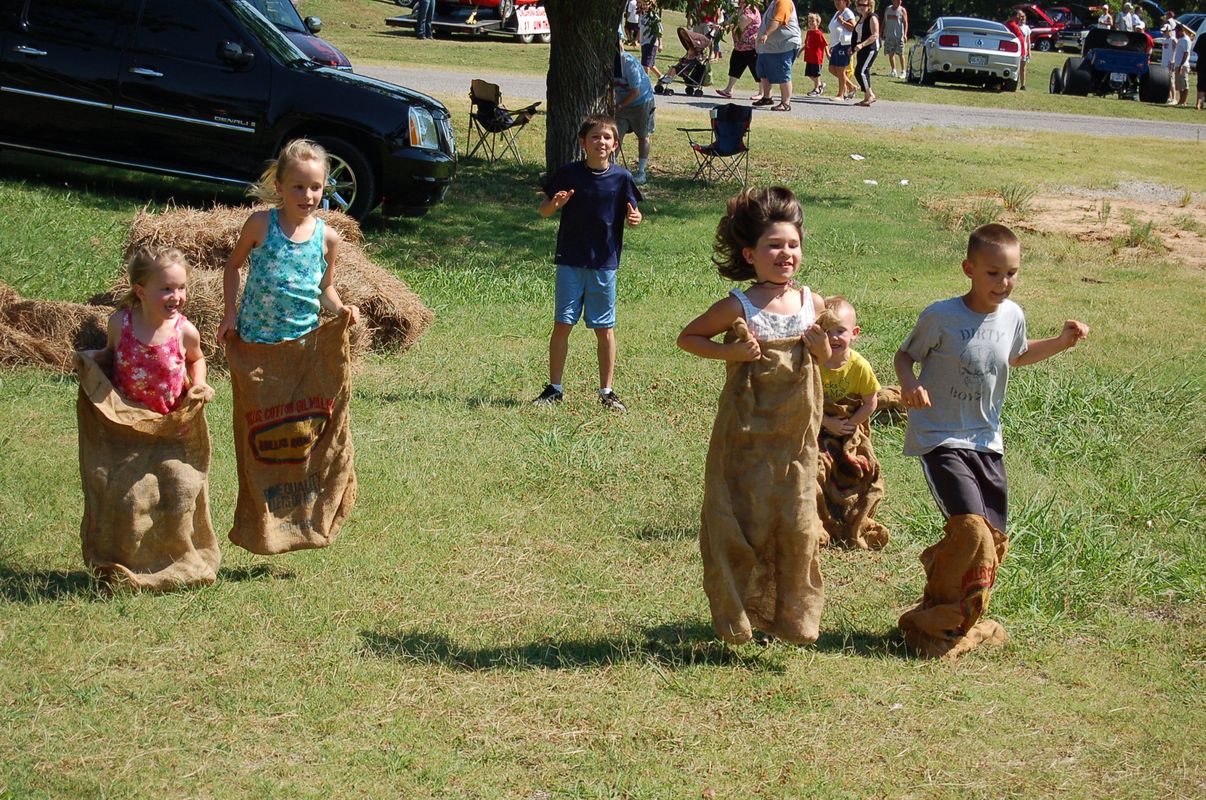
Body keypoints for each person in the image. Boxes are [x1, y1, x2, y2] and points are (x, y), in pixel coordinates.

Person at [893, 223, 1089, 658]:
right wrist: (908, 385)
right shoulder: (942, 316)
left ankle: (950, 610)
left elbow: (1017, 356)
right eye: (993, 273)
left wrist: (1060, 342)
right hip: (940, 436)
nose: (1003, 283)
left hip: (986, 440)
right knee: (970, 528)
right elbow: (904, 355)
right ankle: (931, 620)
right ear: (969, 269)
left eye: (1012, 273)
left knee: (993, 534)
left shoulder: (1013, 315)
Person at [678, 186, 832, 645]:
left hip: (796, 441)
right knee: (743, 521)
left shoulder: (812, 303)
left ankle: (791, 620)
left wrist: (825, 350)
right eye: (773, 245)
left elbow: (833, 361)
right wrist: (731, 350)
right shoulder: (739, 306)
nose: (785, 253)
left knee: (798, 523)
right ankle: (737, 617)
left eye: (793, 244)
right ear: (750, 253)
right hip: (745, 437)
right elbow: (689, 338)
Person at [532, 115, 642, 412]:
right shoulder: (569, 173)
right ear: (583, 142)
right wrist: (555, 204)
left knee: (604, 328)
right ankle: (554, 388)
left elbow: (634, 215)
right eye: (594, 137)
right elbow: (543, 211)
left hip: (604, 264)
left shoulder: (622, 179)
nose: (600, 142)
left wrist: (635, 219)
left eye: (606, 137)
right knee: (562, 324)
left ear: (615, 144)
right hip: (570, 260)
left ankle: (607, 390)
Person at [217, 138, 361, 346]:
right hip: (255, 339)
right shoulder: (260, 224)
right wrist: (230, 313)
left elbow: (325, 287)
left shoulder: (328, 238)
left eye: (315, 187)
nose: (308, 196)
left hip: (301, 345)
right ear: (279, 186)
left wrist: (340, 308)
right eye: (298, 187)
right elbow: (233, 266)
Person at [86, 247, 212, 415]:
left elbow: (196, 359)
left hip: (169, 421)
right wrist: (91, 358)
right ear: (141, 291)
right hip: (125, 418)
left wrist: (199, 381)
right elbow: (111, 355)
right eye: (166, 289)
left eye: (181, 287)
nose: (176, 296)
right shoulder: (120, 324)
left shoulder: (184, 332)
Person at [816, 296, 889, 551]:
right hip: (817, 422)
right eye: (826, 332)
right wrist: (825, 422)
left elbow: (871, 403)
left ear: (855, 333)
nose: (833, 338)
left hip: (849, 425)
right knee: (817, 466)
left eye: (840, 331)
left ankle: (853, 515)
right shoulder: (814, 363)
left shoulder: (859, 366)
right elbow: (804, 399)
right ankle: (819, 519)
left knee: (864, 466)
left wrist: (849, 425)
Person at [614, 44, 655, 185]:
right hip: (621, 104)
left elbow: (635, 92)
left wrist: (618, 105)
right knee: (616, 136)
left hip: (641, 101)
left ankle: (641, 172)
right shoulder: (605, 61)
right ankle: (611, 168)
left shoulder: (628, 63)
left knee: (643, 136)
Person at [752, 0, 802, 111]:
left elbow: (778, 20)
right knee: (763, 71)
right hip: (770, 47)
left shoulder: (784, 1)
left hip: (784, 45)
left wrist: (766, 34)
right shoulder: (774, 2)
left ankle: (785, 103)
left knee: (783, 74)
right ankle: (767, 97)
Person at [716, 0, 761, 98]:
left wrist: (724, 27)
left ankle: (762, 93)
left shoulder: (750, 10)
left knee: (756, 69)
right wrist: (720, 25)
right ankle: (728, 90)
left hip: (751, 46)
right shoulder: (740, 9)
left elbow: (739, 26)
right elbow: (730, 20)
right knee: (735, 66)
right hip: (740, 46)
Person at [828, 0, 859, 102]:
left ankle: (841, 94)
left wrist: (842, 22)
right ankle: (851, 86)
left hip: (844, 45)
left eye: (839, 0)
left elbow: (854, 28)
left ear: (846, 1)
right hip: (836, 45)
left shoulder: (847, 12)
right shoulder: (837, 13)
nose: (836, 2)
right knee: (832, 69)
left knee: (840, 70)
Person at [851, 0, 880, 106]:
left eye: (864, 5)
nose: (862, 7)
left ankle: (870, 94)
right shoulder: (861, 18)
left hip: (870, 48)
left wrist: (862, 45)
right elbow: (858, 34)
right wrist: (852, 47)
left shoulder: (872, 17)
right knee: (862, 71)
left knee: (860, 71)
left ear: (870, 6)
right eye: (860, 5)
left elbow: (875, 35)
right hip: (861, 49)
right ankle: (867, 97)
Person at [802, 13, 829, 96]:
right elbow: (806, 44)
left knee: (816, 75)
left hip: (816, 58)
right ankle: (820, 84)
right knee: (809, 74)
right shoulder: (809, 33)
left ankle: (817, 89)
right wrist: (799, 51)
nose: (810, 23)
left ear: (817, 22)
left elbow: (825, 44)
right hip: (809, 57)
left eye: (812, 21)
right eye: (809, 21)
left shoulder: (819, 34)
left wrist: (828, 54)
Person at [882, 0, 908, 79]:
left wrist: (905, 34)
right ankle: (893, 71)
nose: (899, 2)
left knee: (900, 54)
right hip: (889, 36)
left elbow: (905, 23)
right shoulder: (888, 9)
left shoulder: (902, 10)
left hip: (899, 36)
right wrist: (882, 31)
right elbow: (884, 21)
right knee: (890, 53)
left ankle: (903, 71)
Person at [1005, 9, 1030, 91]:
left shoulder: (1020, 26)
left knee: (1023, 68)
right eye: (1019, 16)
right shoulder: (1011, 24)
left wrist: (1027, 52)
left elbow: (1027, 40)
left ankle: (1023, 85)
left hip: (1022, 50)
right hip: (1016, 51)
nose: (1021, 18)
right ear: (1016, 16)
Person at [638, 1, 663, 81]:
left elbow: (659, 32)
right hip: (644, 42)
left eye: (647, 4)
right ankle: (661, 77)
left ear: (651, 5)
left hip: (651, 43)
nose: (645, 6)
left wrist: (660, 44)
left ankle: (646, 82)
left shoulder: (654, 17)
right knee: (649, 63)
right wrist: (635, 40)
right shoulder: (642, 15)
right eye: (643, 4)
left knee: (646, 64)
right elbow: (640, 29)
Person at [1171, 22, 1194, 106]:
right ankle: (1180, 100)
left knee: (1184, 84)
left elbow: (1186, 53)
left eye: (1177, 31)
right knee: (1180, 85)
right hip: (1178, 65)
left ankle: (1184, 101)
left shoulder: (1186, 40)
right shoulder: (1180, 39)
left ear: (1181, 31)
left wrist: (1181, 65)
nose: (1176, 33)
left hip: (1183, 65)